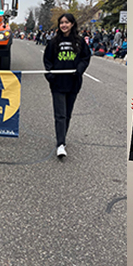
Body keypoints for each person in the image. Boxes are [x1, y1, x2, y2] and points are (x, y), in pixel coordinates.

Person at [43, 13, 91, 158]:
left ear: (72, 24)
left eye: (67, 22)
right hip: (58, 83)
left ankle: (63, 138)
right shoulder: (53, 42)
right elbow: (47, 59)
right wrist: (50, 73)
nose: (64, 25)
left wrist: (80, 70)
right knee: (60, 115)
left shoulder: (79, 42)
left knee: (68, 114)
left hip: (73, 82)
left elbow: (85, 57)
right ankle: (60, 144)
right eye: (61, 23)